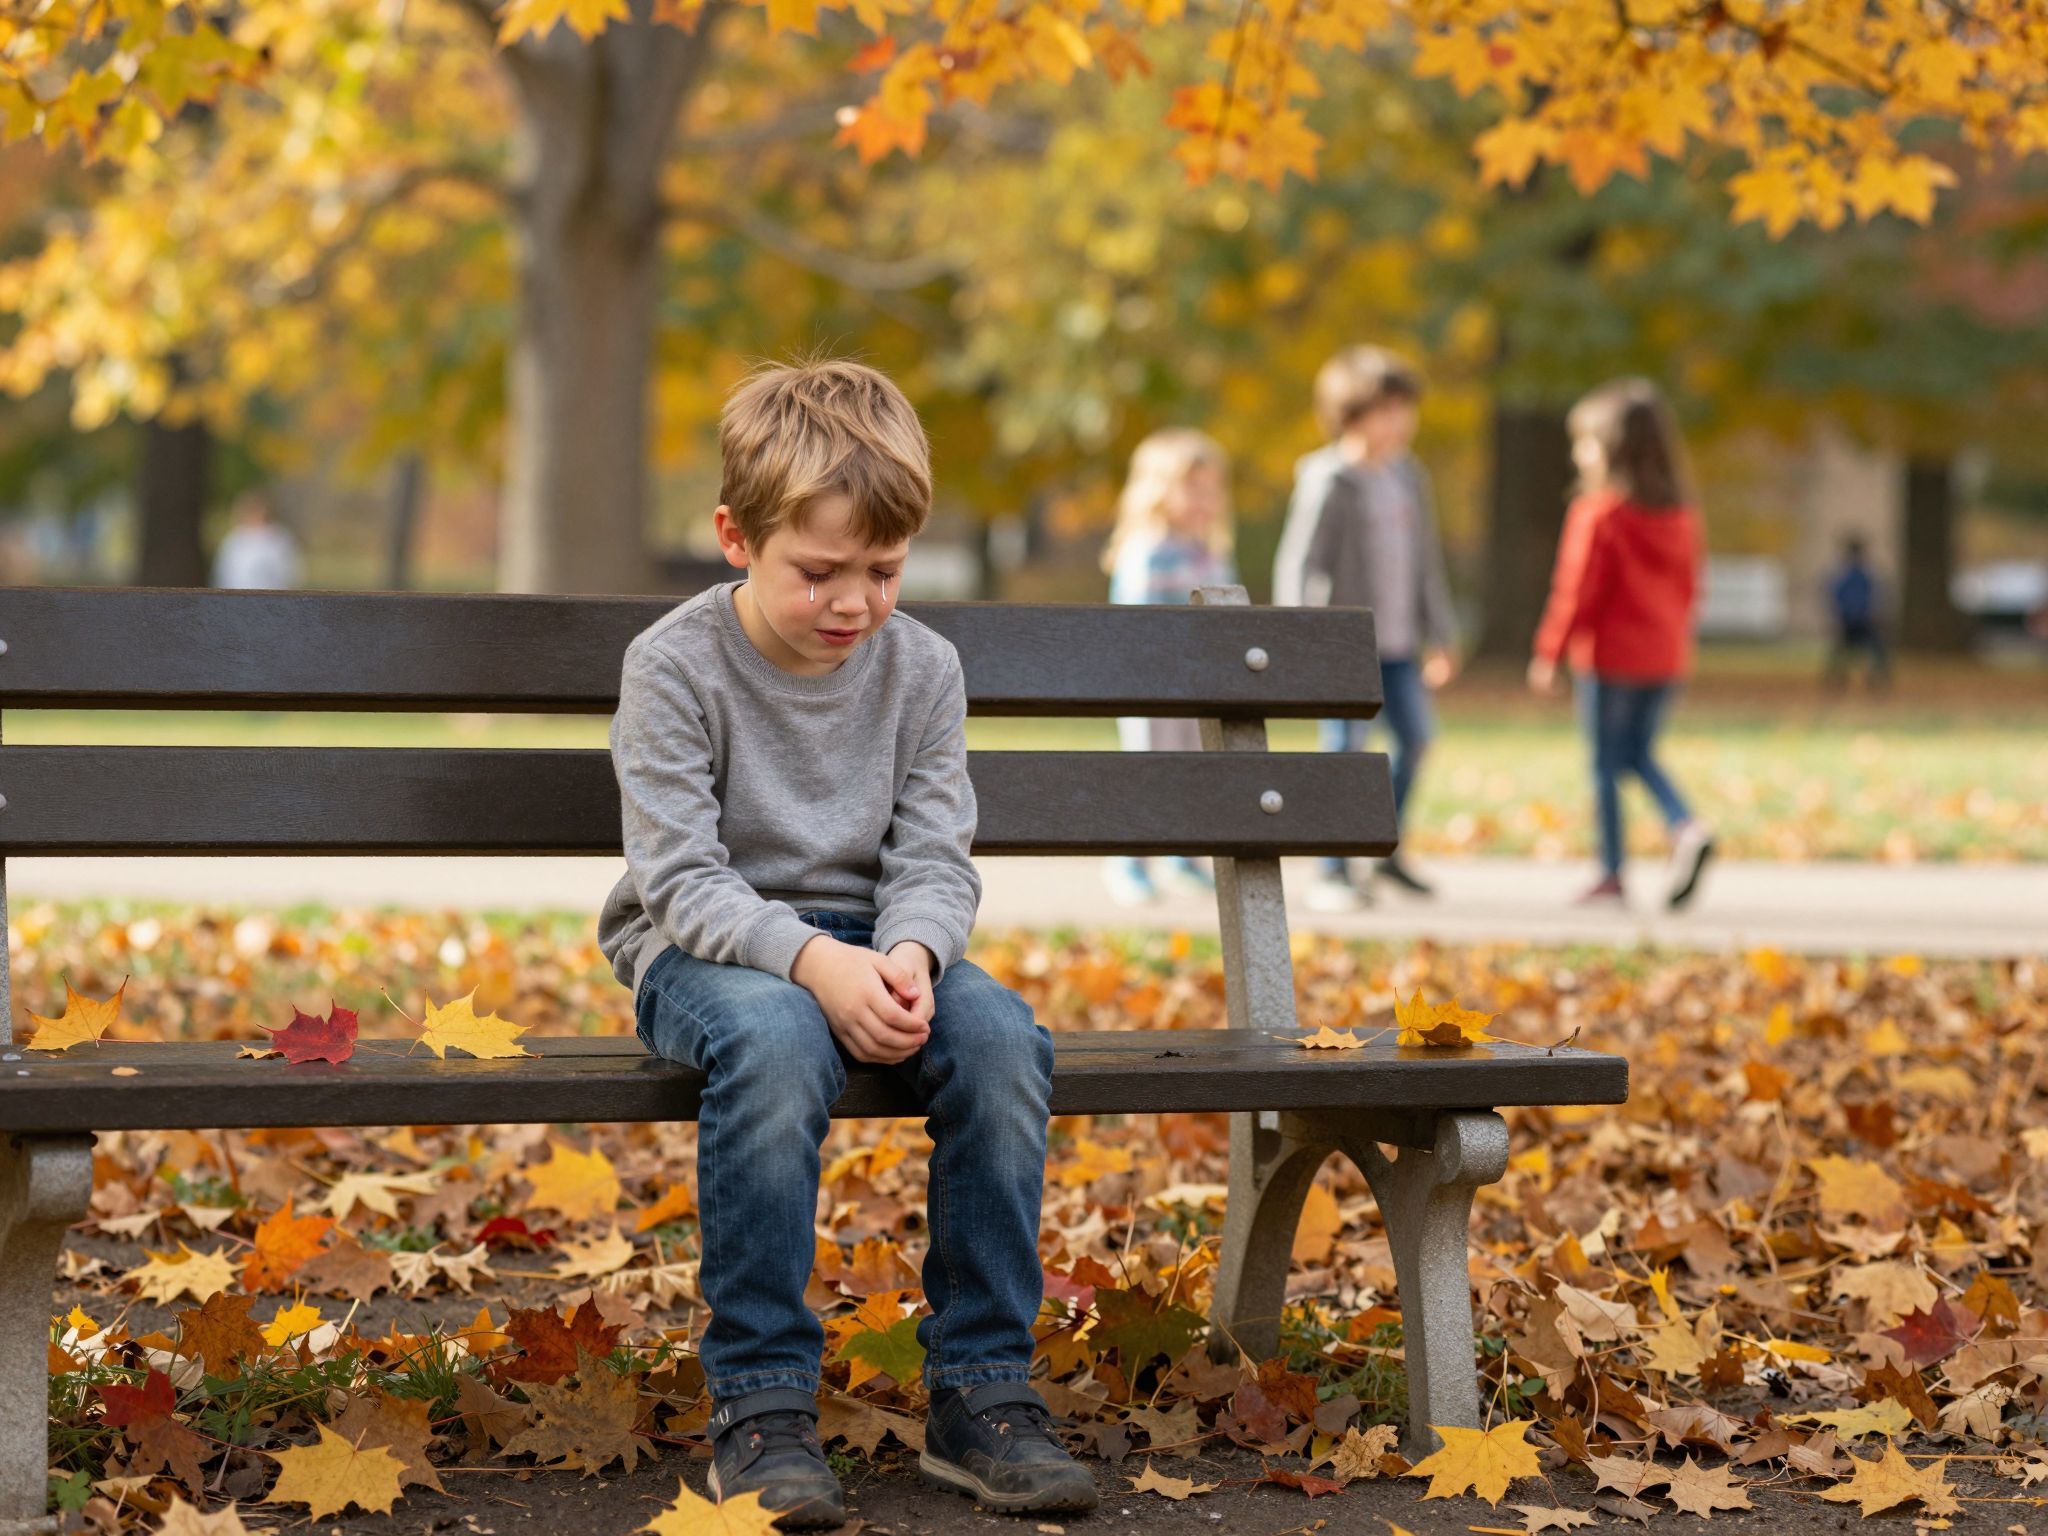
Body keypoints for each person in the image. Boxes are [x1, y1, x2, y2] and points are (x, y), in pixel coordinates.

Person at [596, 359, 1097, 1528]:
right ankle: (762, 1405)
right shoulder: (672, 667)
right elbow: (677, 877)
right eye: (817, 571)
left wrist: (914, 957)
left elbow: (934, 855)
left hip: (882, 947)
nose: (852, 604)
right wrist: (813, 964)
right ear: (735, 537)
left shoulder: (922, 669)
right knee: (774, 1043)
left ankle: (982, 1390)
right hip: (702, 953)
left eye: (881, 571)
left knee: (1001, 1040)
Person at [1271, 345, 1458, 911]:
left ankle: (1381, 849)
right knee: (1345, 754)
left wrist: (1442, 634)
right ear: (1352, 415)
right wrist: (1302, 642)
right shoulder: (1330, 479)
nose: (1403, 422)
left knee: (1417, 740)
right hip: (1344, 650)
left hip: (1400, 645)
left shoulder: (1407, 477)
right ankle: (1333, 870)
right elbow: (1299, 564)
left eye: (1407, 408)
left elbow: (1426, 562)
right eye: (1389, 409)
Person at [1528, 377, 1714, 910]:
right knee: (1637, 753)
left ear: (1612, 449)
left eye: (1584, 442)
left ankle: (1611, 872)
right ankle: (1686, 825)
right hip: (1665, 656)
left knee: (1606, 764)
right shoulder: (1680, 516)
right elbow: (1690, 588)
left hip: (1611, 659)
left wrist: (1550, 652)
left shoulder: (1600, 513)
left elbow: (1576, 591)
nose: (1577, 454)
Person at [1100, 427, 1236, 905]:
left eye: (1211, 490)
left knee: (1188, 770)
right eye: (1193, 488)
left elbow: (1227, 616)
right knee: (1148, 770)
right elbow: (1139, 624)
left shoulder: (1209, 551)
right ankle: (1129, 863)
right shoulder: (1149, 551)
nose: (1205, 500)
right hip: (1151, 688)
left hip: (1195, 688)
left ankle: (1182, 856)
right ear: (1160, 491)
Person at [1824, 534, 1891, 691]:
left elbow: (1834, 595)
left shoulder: (1845, 573)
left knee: (1846, 654)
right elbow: (1875, 596)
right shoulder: (1863, 574)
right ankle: (1870, 681)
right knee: (1870, 652)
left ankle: (1842, 682)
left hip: (1854, 620)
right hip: (1859, 620)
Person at [210, 491, 303, 589]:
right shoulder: (235, 539)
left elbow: (291, 572)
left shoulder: (279, 538)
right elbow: (222, 573)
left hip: (273, 598)